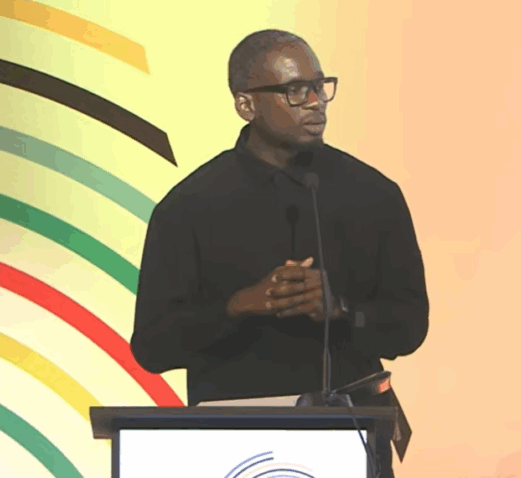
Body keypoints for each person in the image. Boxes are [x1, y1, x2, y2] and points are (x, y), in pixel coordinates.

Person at [130, 29, 428, 476]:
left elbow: (409, 327)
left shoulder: (374, 194)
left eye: (320, 86)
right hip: (234, 448)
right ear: (246, 105)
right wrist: (239, 306)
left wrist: (340, 309)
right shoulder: (189, 207)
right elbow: (152, 348)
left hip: (352, 437)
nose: (316, 102)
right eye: (295, 90)